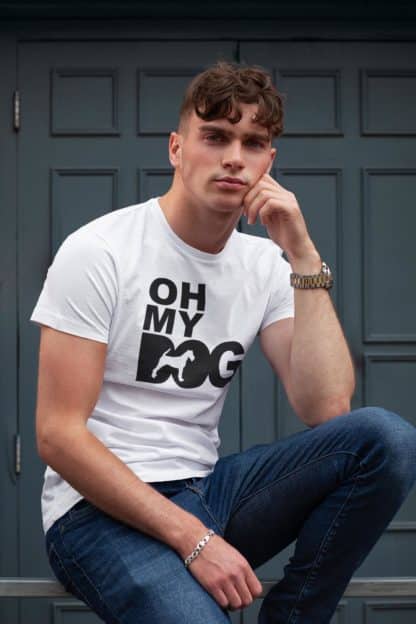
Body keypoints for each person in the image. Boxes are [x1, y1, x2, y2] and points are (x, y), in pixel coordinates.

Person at [30, 61, 416, 624]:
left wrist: (304, 256)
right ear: (176, 148)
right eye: (214, 136)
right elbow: (58, 435)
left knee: (385, 440)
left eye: (252, 143)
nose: (234, 156)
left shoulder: (265, 264)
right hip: (94, 515)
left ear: (268, 163)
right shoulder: (101, 251)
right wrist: (194, 539)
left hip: (207, 492)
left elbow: (327, 407)